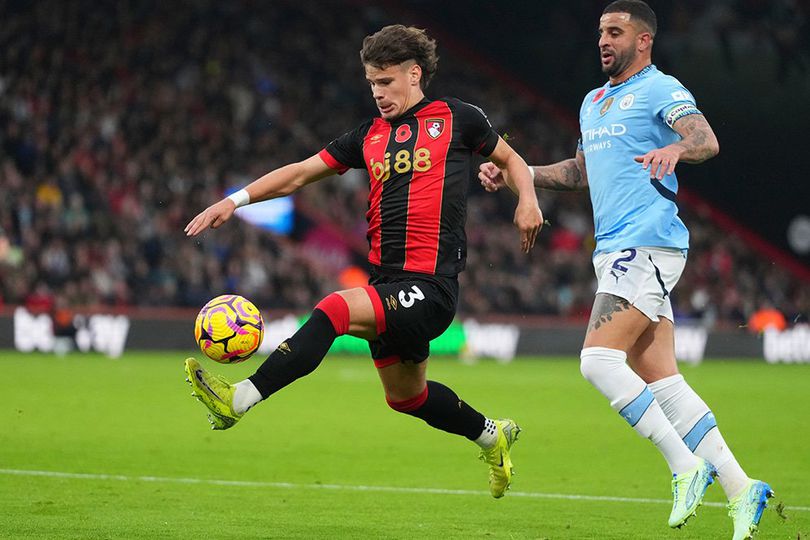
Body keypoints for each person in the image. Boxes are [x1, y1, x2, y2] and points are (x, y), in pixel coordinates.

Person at [184, 24, 543, 498]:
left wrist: (527, 201)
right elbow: (300, 174)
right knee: (407, 397)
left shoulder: (459, 118)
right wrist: (235, 200)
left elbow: (512, 160)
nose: (378, 92)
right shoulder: (368, 136)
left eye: (386, 81)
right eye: (372, 82)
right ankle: (491, 436)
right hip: (387, 284)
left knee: (335, 308)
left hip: (431, 287)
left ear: (415, 74)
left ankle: (240, 398)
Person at [479, 1, 772, 536]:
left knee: (597, 361)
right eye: (600, 32)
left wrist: (676, 150)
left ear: (643, 41)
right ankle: (742, 488)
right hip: (615, 250)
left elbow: (705, 140)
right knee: (662, 380)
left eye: (615, 32)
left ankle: (686, 467)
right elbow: (580, 173)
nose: (603, 41)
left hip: (648, 242)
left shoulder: (660, 88)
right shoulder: (592, 102)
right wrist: (518, 174)